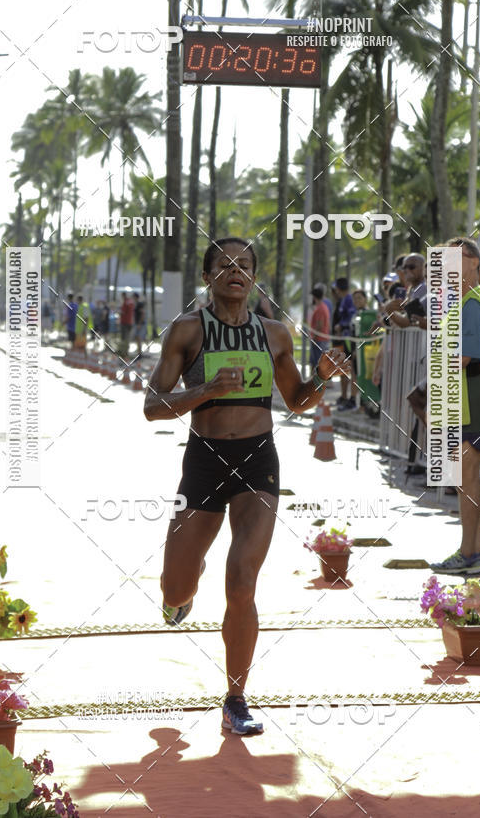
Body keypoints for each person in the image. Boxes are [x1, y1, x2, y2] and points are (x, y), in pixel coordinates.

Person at [143, 237, 348, 736]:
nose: (237, 271)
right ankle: (184, 584)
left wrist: (324, 379)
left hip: (258, 461)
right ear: (209, 275)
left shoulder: (276, 334)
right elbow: (152, 405)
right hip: (204, 462)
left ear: (255, 277)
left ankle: (236, 697)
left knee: (242, 578)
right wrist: (206, 390)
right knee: (177, 584)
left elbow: (297, 399)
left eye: (246, 265)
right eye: (226, 264)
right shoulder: (187, 331)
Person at [430, 237, 480, 577]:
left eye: (458, 257)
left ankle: (469, 552)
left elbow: (463, 357)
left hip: (471, 399)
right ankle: (477, 552)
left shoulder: (472, 303)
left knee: (465, 477)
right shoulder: (464, 302)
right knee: (468, 478)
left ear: (475, 263)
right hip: (467, 399)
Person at [331, 278, 356, 410]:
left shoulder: (348, 299)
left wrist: (341, 325)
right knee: (342, 368)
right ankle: (344, 396)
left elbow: (352, 317)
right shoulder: (342, 300)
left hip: (348, 340)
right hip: (342, 340)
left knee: (348, 368)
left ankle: (351, 398)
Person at [309, 285, 331, 370]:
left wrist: (313, 336)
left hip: (319, 340)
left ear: (314, 297)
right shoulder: (324, 307)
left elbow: (320, 325)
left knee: (317, 364)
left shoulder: (320, 309)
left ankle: (316, 382)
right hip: (323, 339)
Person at [133, 293, 147, 358]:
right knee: (137, 338)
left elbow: (142, 314)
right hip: (136, 323)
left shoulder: (140, 304)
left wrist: (139, 323)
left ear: (136, 297)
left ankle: (140, 354)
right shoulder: (135, 305)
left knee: (139, 338)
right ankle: (139, 352)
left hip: (140, 324)